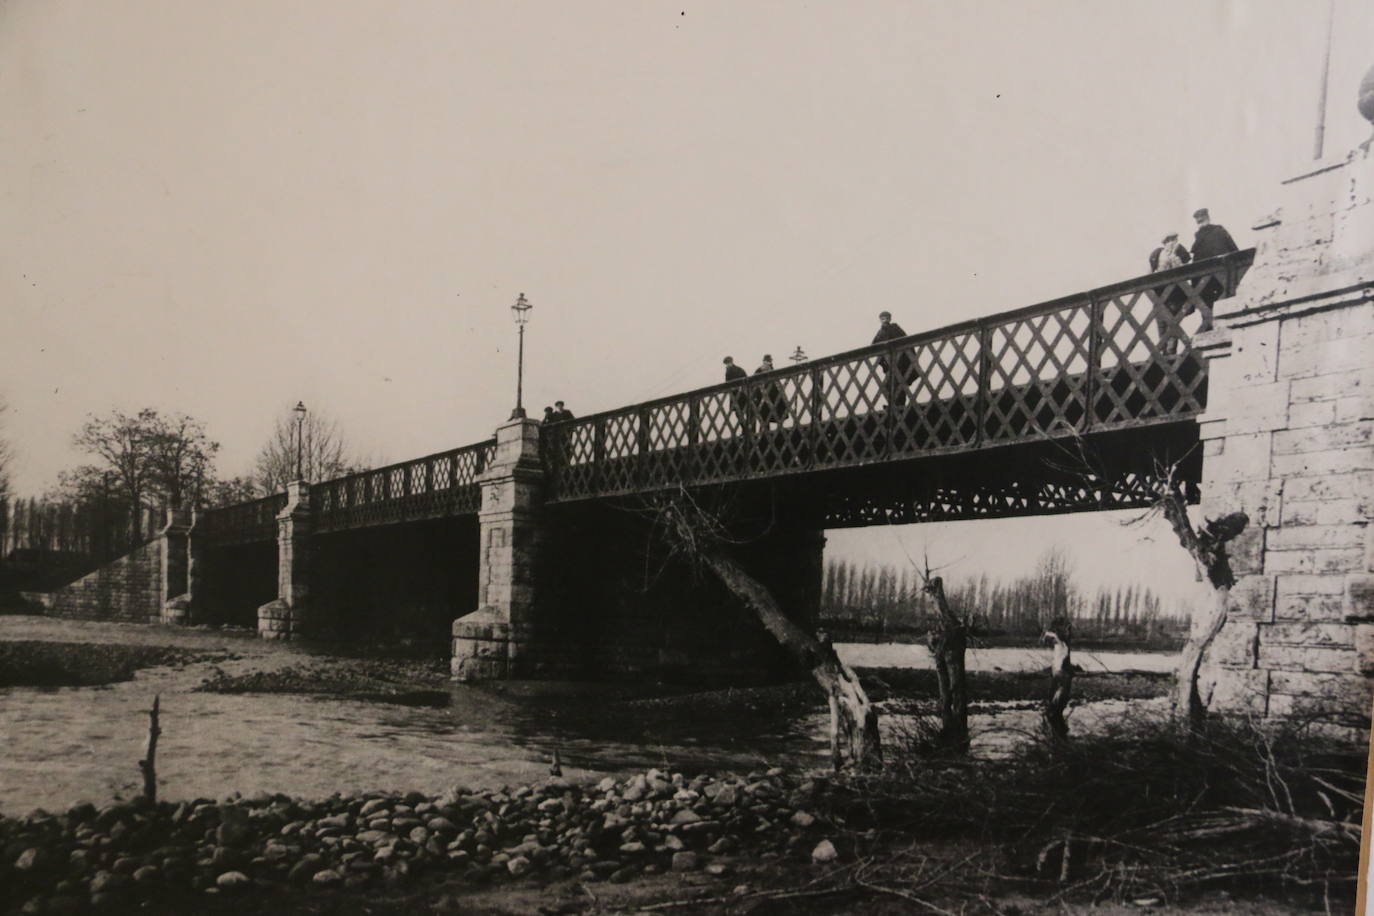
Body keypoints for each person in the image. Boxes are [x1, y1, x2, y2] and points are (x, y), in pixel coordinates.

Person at [1190, 207, 1240, 321]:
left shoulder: (1210, 235)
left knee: (1211, 312)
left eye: (1200, 220)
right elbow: (1235, 252)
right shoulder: (1219, 231)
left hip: (1211, 282)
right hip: (1220, 280)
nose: (1200, 223)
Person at [1149, 232, 1192, 355]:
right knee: (1164, 327)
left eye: (1174, 239)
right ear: (1164, 243)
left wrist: (1174, 257)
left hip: (1174, 296)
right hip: (1162, 296)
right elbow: (1151, 273)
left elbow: (1184, 269)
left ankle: (1170, 354)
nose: (1172, 242)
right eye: (1169, 240)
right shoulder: (1157, 254)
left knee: (1172, 327)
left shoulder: (1180, 252)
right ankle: (1166, 354)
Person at [872, 311, 915, 407]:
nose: (885, 320)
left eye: (886, 318)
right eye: (882, 318)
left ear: (890, 319)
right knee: (888, 384)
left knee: (899, 383)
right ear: (880, 320)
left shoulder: (895, 328)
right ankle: (892, 404)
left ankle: (899, 405)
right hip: (888, 362)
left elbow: (905, 340)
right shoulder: (880, 332)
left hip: (899, 361)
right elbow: (874, 345)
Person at [754, 354, 785, 428]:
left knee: (765, 415)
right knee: (769, 414)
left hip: (767, 395)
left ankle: (766, 432)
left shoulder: (761, 369)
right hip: (768, 395)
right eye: (768, 361)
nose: (769, 362)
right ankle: (776, 430)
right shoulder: (768, 369)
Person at [723, 356, 750, 432]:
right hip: (735, 395)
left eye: (728, 363)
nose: (727, 365)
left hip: (741, 394)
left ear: (731, 362)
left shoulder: (738, 370)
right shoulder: (729, 371)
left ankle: (746, 430)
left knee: (742, 412)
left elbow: (745, 379)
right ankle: (745, 429)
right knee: (739, 413)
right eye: (726, 363)